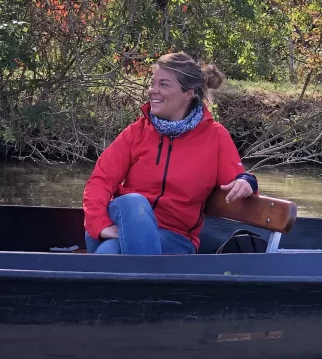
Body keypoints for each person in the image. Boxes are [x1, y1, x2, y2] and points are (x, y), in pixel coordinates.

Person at [82, 52, 258, 254]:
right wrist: (100, 226)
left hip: (176, 239)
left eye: (163, 85)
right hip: (121, 224)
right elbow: (100, 180)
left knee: (109, 252)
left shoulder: (215, 137)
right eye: (153, 83)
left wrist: (247, 182)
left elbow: (236, 182)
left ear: (188, 93)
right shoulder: (136, 132)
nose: (152, 91)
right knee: (132, 202)